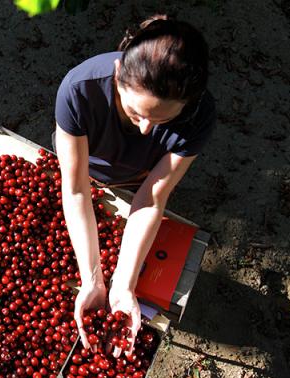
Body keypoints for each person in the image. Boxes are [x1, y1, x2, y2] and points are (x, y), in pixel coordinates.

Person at [53, 15, 216, 357]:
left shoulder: (199, 116)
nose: (145, 130)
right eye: (135, 112)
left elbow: (152, 198)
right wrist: (92, 279)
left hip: (139, 177)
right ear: (117, 75)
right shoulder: (79, 90)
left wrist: (123, 286)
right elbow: (78, 189)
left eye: (162, 120)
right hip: (86, 166)